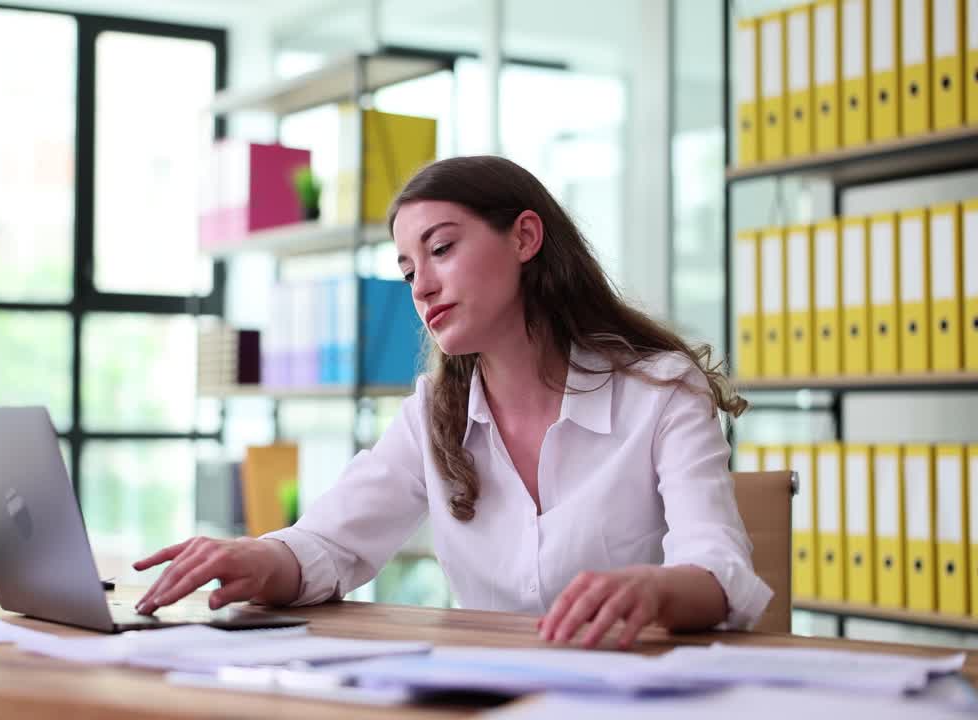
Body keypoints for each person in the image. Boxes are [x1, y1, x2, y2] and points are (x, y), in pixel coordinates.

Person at [133, 155, 771, 649]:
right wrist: (255, 556)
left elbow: (717, 567)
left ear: (525, 238)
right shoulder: (434, 412)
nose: (424, 285)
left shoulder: (659, 391)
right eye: (410, 271)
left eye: (441, 249)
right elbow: (331, 545)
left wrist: (654, 590)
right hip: (486, 697)